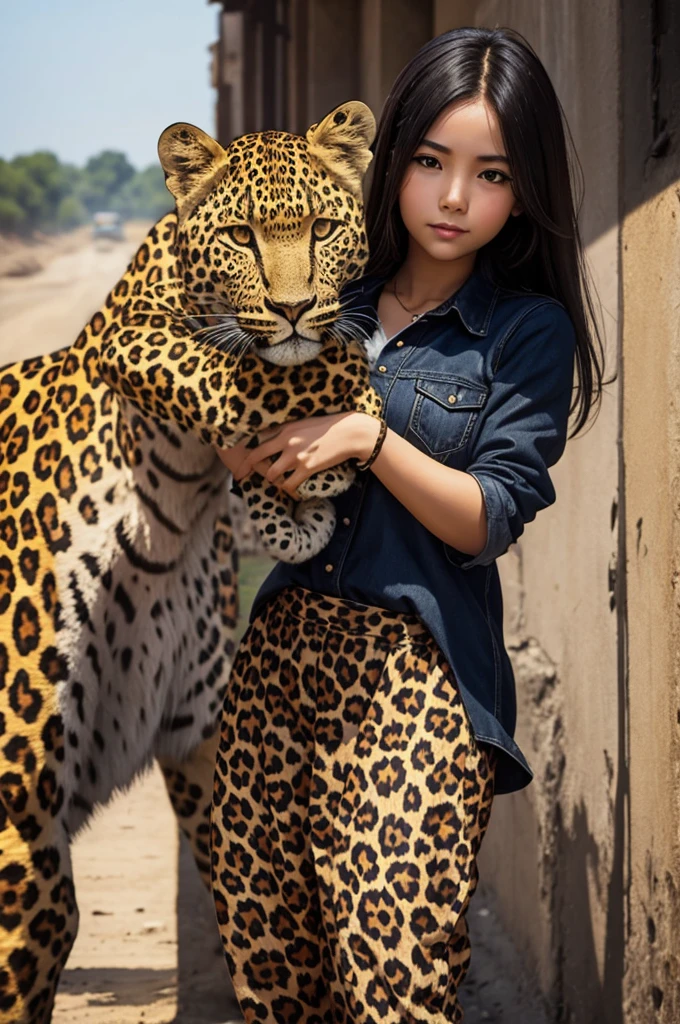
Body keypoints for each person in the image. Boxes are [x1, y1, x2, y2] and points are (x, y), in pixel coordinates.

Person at [212, 25, 607, 1024]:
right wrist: (240, 437)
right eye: (430, 162)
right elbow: (234, 447)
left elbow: (486, 517)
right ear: (394, 162)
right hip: (275, 670)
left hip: (417, 685)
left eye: (489, 173)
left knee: (396, 988)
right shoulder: (324, 299)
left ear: (523, 192)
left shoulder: (525, 330)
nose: (451, 198)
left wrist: (365, 435)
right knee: (277, 992)